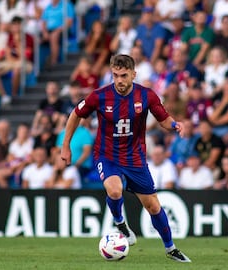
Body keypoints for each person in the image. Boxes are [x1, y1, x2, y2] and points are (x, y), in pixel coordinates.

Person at [61, 54, 191, 262]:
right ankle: (120, 222)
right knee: (114, 189)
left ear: (133, 74)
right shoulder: (99, 96)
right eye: (115, 75)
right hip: (107, 155)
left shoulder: (147, 95)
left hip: (135, 158)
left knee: (153, 206)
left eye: (123, 75)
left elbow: (163, 119)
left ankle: (170, 248)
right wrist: (66, 145)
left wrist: (175, 125)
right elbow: (76, 114)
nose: (119, 80)